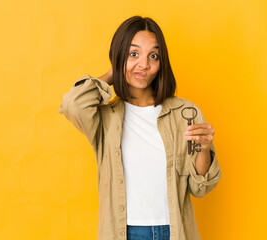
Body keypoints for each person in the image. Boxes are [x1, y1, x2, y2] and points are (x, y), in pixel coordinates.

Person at [58, 15, 221, 240]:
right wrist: (113, 74)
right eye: (133, 54)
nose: (144, 64)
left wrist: (204, 148)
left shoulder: (185, 113)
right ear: (119, 56)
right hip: (124, 232)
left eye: (153, 56)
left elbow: (199, 187)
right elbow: (72, 104)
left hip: (173, 231)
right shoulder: (106, 117)